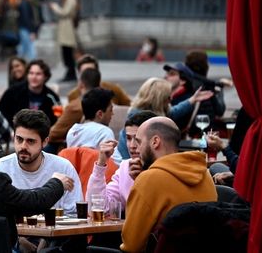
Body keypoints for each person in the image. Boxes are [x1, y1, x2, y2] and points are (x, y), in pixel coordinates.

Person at [120, 117, 217, 252]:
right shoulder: (205, 174)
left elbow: (132, 245)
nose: (136, 149)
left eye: (139, 142)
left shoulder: (149, 179)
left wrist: (141, 181)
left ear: (155, 142)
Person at [0, 109, 82, 217]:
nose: (23, 146)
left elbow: (74, 214)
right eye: (19, 139)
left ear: (45, 142)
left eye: (30, 141)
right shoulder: (0, 168)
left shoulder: (63, 167)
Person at [116, 77, 214, 159]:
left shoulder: (158, 112)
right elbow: (128, 155)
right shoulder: (138, 120)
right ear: (158, 99)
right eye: (168, 97)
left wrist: (192, 100)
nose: (171, 99)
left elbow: (175, 111)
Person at [86, 111, 157, 211]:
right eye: (128, 138)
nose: (132, 146)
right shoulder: (125, 167)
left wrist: (141, 179)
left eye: (137, 139)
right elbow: (98, 208)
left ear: (154, 141)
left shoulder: (164, 168)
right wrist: (100, 165)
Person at [66, 87, 122, 165]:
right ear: (100, 114)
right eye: (110, 110)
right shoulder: (104, 131)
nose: (112, 114)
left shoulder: (72, 131)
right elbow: (116, 163)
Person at [0, 59, 61, 126]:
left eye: (38, 74)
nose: (34, 77)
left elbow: (58, 120)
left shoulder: (52, 97)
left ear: (45, 77)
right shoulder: (12, 92)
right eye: (31, 73)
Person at [49, 68, 101, 148]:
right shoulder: (105, 102)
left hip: (72, 149)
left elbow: (54, 134)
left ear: (81, 84)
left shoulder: (76, 107)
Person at [49, 0, 79, 82]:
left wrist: (55, 7)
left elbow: (64, 12)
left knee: (68, 52)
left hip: (67, 29)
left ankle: (71, 74)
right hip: (65, 28)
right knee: (66, 52)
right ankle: (70, 73)